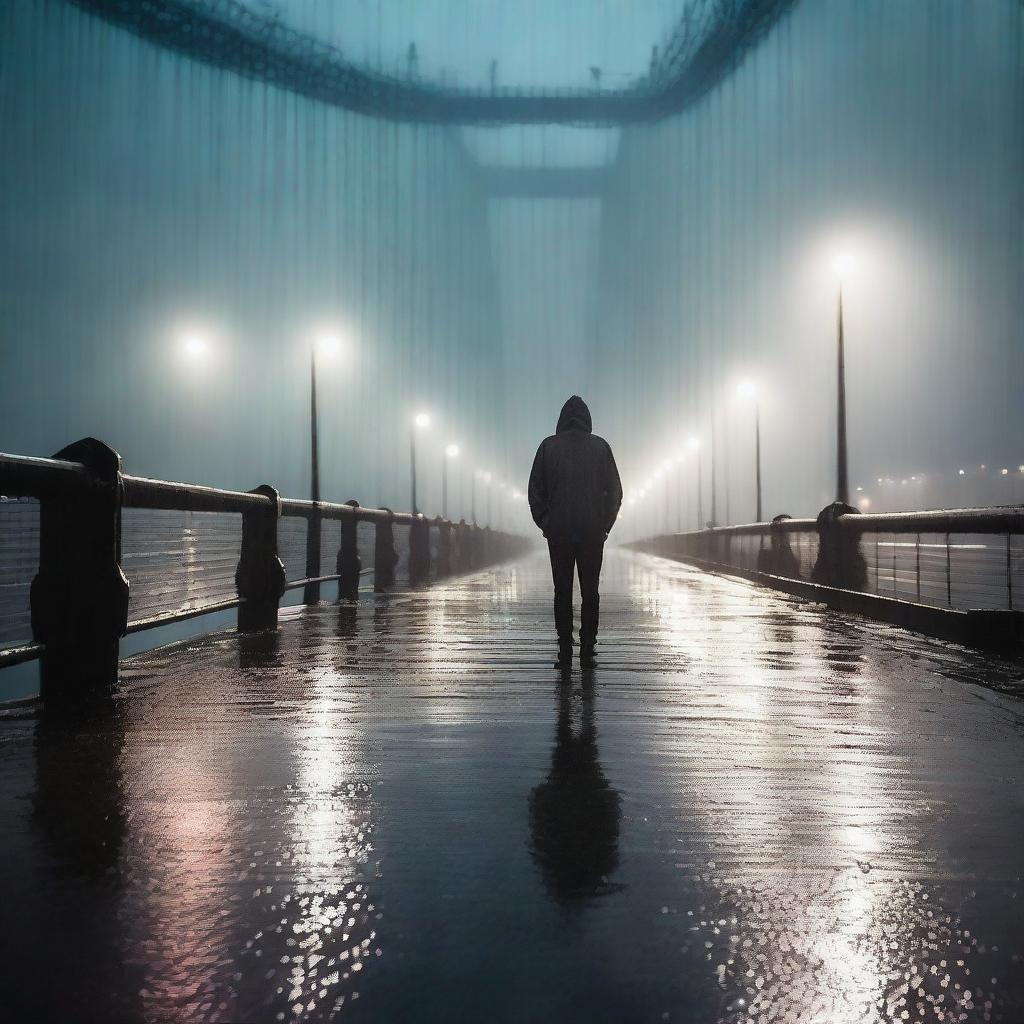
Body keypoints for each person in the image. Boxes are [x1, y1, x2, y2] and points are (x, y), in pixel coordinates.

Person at [528, 395, 622, 669]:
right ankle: (588, 645)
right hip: (592, 532)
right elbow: (615, 492)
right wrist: (605, 525)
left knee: (563, 590)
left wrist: (546, 523)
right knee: (590, 590)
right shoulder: (601, 447)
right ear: (587, 419)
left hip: (559, 531)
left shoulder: (547, 447)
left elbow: (535, 491)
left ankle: (565, 646)